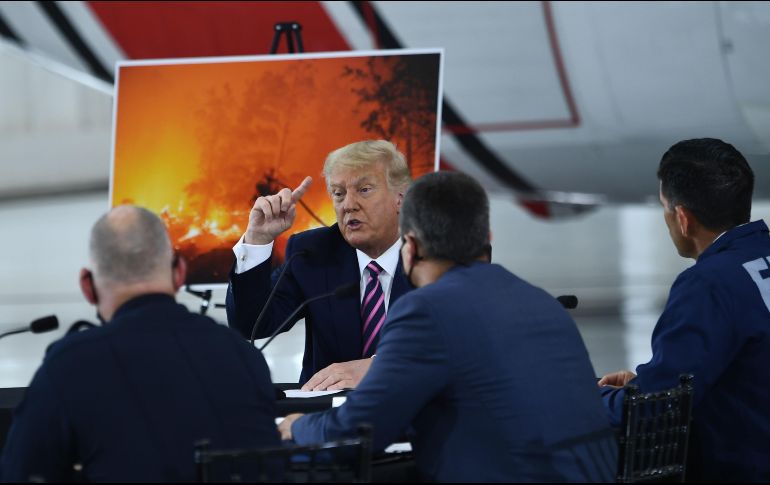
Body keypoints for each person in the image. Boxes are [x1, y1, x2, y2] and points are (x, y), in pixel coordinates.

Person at [279, 171, 617, 482]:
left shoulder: (426, 309)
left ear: (409, 247)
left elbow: (361, 429)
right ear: (486, 237)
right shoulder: (539, 300)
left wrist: (297, 427)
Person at [0, 206, 279, 482]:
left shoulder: (68, 365)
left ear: (87, 285)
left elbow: (20, 473)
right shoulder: (242, 355)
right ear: (179, 272)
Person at [598, 138, 770, 481]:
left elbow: (658, 406)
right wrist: (645, 382)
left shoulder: (709, 284)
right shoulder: (756, 258)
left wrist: (592, 397)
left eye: (665, 208)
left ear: (683, 218)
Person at [226, 140, 412, 389]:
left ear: (400, 197)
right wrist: (257, 241)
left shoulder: (436, 254)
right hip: (327, 417)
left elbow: (454, 341)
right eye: (338, 193)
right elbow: (250, 325)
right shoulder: (312, 253)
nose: (348, 204)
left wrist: (384, 366)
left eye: (364, 189)